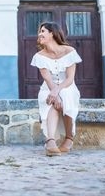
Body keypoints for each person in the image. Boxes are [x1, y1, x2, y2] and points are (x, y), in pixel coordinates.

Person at [30, 21, 82, 156]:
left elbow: (70, 79)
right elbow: (47, 79)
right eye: (39, 31)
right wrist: (55, 94)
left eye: (43, 31)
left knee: (66, 96)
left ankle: (69, 138)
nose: (39, 34)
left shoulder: (70, 51)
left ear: (52, 33)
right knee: (52, 101)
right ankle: (50, 141)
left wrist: (57, 92)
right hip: (48, 87)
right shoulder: (39, 56)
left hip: (67, 85)